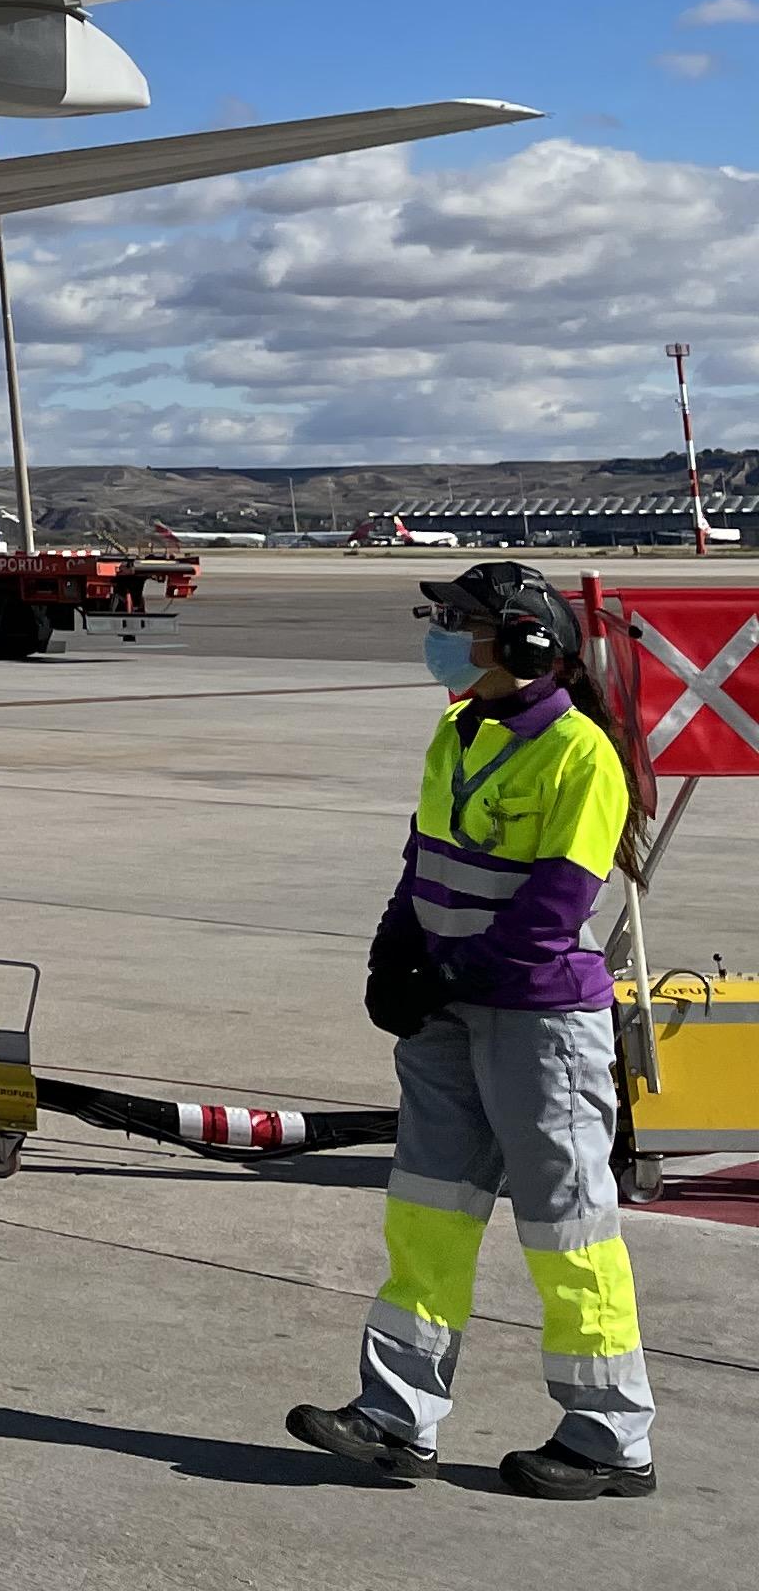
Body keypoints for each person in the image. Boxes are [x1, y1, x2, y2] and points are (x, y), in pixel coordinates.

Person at [289, 562, 652, 1499]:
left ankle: (611, 1436)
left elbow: (553, 905)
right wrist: (392, 954)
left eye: (462, 622)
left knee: (567, 1227)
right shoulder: (457, 729)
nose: (445, 636)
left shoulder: (582, 754)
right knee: (427, 1215)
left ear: (530, 645)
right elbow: (424, 860)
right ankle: (394, 1417)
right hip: (451, 1010)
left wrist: (444, 972)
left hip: (538, 1022)